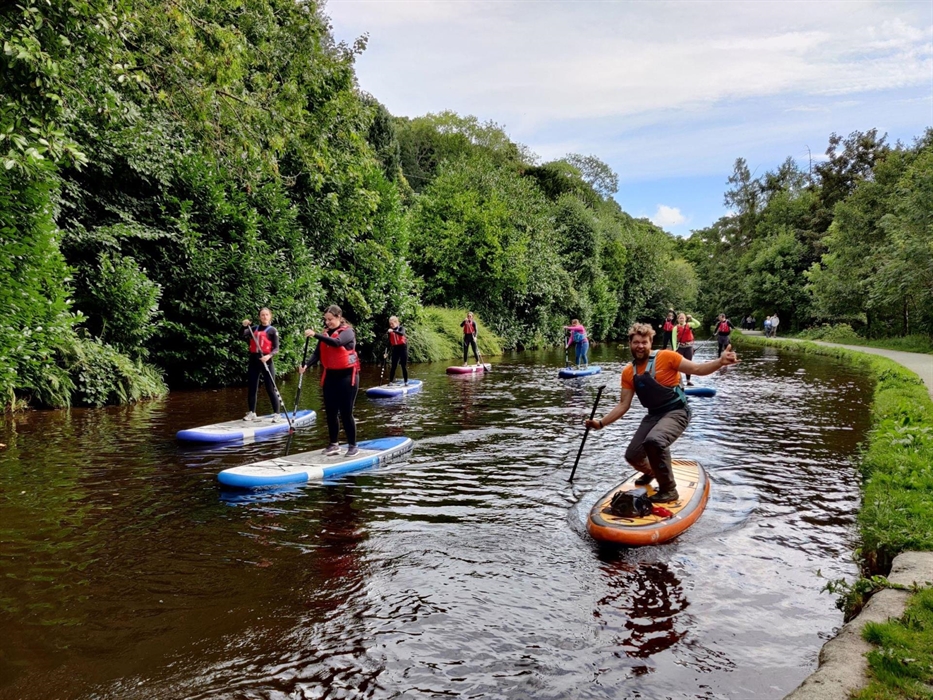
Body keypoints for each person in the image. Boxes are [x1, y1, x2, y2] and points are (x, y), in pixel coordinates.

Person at [585, 323, 739, 502]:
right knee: (633, 456)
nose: (640, 346)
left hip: (677, 411)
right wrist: (601, 423)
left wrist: (720, 362)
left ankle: (669, 490)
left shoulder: (666, 357)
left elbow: (697, 370)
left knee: (655, 441)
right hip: (654, 415)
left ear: (651, 343)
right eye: (636, 342)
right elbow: (623, 405)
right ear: (630, 344)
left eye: (644, 342)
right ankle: (653, 472)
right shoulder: (628, 372)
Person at [300, 305, 360, 457]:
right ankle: (334, 444)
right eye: (326, 320)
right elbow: (317, 354)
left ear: (339, 317)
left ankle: (353, 446)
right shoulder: (325, 334)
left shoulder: (348, 332)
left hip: (347, 378)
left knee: (346, 413)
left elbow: (336, 343)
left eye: (330, 319)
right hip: (330, 377)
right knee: (331, 413)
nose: (327, 323)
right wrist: (306, 365)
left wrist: (314, 335)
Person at [242, 308, 282, 421]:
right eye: (262, 315)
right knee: (252, 387)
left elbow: (276, 348)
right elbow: (242, 334)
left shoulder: (272, 330)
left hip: (266, 361)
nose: (264, 317)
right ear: (259, 317)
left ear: (270, 316)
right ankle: (252, 412)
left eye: (266, 315)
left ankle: (277, 414)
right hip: (254, 361)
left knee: (270, 388)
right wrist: (244, 326)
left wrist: (268, 356)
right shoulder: (253, 328)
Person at [675, 312, 701, 386]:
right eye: (680, 318)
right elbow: (673, 339)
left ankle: (688, 381)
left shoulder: (689, 325)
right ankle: (677, 381)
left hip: (689, 347)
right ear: (678, 319)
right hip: (680, 347)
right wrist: (674, 349)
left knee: (688, 364)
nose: (681, 319)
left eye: (683, 318)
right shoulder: (675, 328)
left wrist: (692, 318)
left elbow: (698, 324)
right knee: (677, 364)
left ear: (685, 319)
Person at [387, 315, 409, 384]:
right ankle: (390, 381)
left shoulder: (401, 328)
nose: (391, 325)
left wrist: (393, 331)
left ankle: (406, 381)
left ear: (396, 322)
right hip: (395, 349)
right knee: (393, 366)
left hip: (403, 348)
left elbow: (401, 334)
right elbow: (389, 342)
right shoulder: (390, 332)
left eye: (392, 323)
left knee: (403, 365)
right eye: (390, 324)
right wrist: (386, 352)